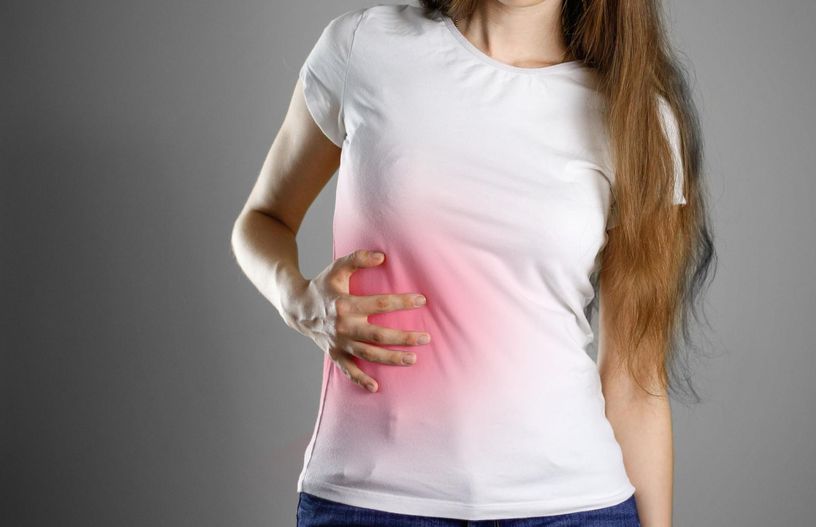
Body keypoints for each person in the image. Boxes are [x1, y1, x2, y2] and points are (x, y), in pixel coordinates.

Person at [231, 1, 715, 525]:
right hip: (368, 501)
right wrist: (299, 301)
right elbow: (262, 219)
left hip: (572, 507)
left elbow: (634, 380)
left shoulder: (637, 117)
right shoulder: (365, 46)